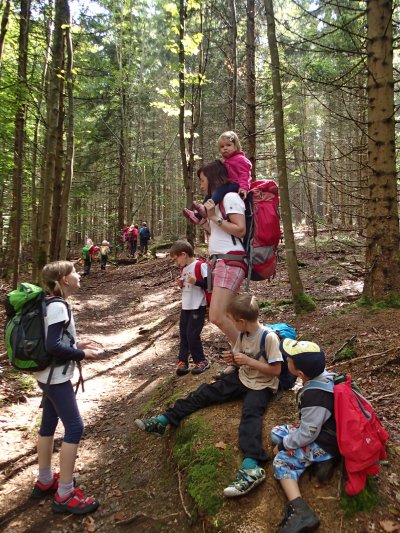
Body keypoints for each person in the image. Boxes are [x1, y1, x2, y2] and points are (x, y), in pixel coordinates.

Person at [135, 294, 282, 496]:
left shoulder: (269, 337)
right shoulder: (242, 335)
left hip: (262, 385)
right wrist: (234, 359)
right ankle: (165, 420)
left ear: (242, 321)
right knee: (206, 392)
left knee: (251, 415)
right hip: (243, 377)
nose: (232, 325)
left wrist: (248, 361)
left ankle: (251, 466)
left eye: (233, 321)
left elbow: (276, 370)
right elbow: (241, 359)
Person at [31, 261, 101, 515]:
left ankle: (45, 479)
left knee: (49, 423)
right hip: (56, 377)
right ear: (63, 280)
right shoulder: (59, 306)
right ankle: (65, 493)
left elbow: (54, 339)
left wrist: (76, 344)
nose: (78, 275)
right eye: (73, 272)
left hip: (46, 374)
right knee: (75, 427)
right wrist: (81, 354)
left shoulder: (48, 302)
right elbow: (53, 345)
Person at [271, 339, 339, 533]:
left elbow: (307, 434)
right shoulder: (326, 378)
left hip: (324, 442)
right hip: (322, 430)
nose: (286, 360)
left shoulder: (315, 397)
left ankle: (301, 511)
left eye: (289, 360)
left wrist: (283, 446)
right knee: (276, 433)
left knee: (281, 460)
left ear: (300, 373)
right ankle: (320, 463)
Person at [196, 160, 247, 348]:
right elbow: (219, 231)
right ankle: (241, 356)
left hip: (230, 260)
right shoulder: (216, 203)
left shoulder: (230, 197)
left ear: (212, 178)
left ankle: (250, 352)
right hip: (221, 261)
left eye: (203, 180)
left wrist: (214, 217)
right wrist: (203, 222)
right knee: (231, 316)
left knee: (217, 316)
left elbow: (240, 229)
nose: (201, 186)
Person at [183, 131, 252, 225]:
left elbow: (245, 174)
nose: (225, 148)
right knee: (210, 193)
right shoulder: (226, 161)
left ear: (236, 146)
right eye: (222, 147)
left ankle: (205, 209)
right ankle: (198, 215)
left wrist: (244, 188)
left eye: (228, 145)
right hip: (228, 184)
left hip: (237, 185)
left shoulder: (240, 159)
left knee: (220, 189)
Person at [170, 240, 210, 376]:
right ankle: (183, 361)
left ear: (183, 254)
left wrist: (196, 282)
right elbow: (188, 286)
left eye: (176, 259)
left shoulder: (201, 265)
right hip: (186, 305)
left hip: (198, 305)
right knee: (183, 334)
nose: (176, 262)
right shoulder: (184, 268)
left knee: (192, 334)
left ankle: (201, 361)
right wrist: (181, 284)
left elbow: (209, 285)